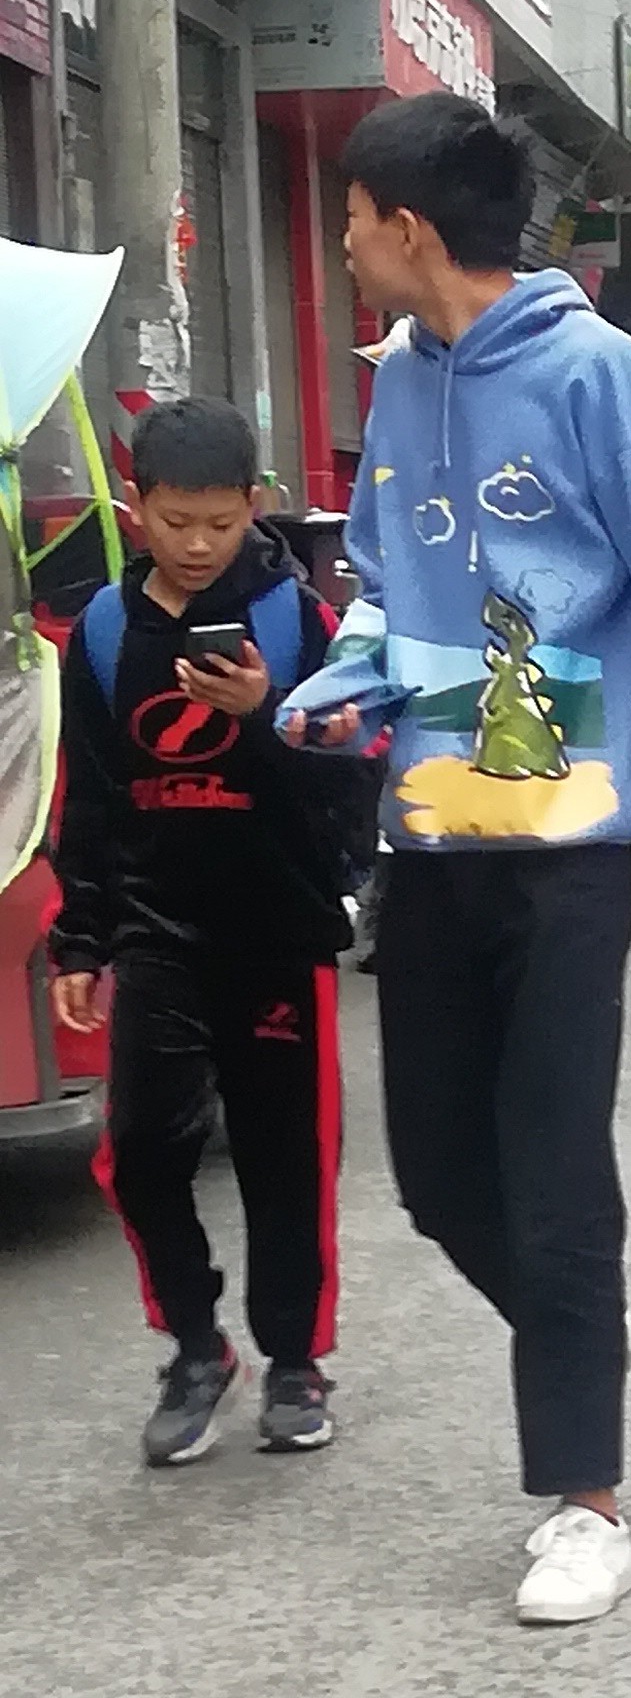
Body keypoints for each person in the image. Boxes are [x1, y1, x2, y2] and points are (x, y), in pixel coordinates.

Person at [278, 92, 631, 1624]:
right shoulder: (405, 383)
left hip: (565, 853)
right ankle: (585, 1341)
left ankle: (585, 1495)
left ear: (409, 230)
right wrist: (340, 679)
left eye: (353, 223)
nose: (345, 249)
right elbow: (382, 570)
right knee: (437, 1177)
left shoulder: (595, 376)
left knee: (556, 1175)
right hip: (431, 839)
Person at [49, 396, 374, 1467]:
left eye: (220, 523)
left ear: (256, 507)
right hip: (155, 933)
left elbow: (346, 792)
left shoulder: (302, 626)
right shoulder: (100, 633)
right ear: (137, 505)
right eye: (175, 520)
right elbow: (90, 801)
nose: (196, 545)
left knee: (289, 1157)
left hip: (276, 933)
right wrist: (82, 941)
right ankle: (196, 1345)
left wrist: (266, 714)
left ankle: (294, 1357)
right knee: (141, 1150)